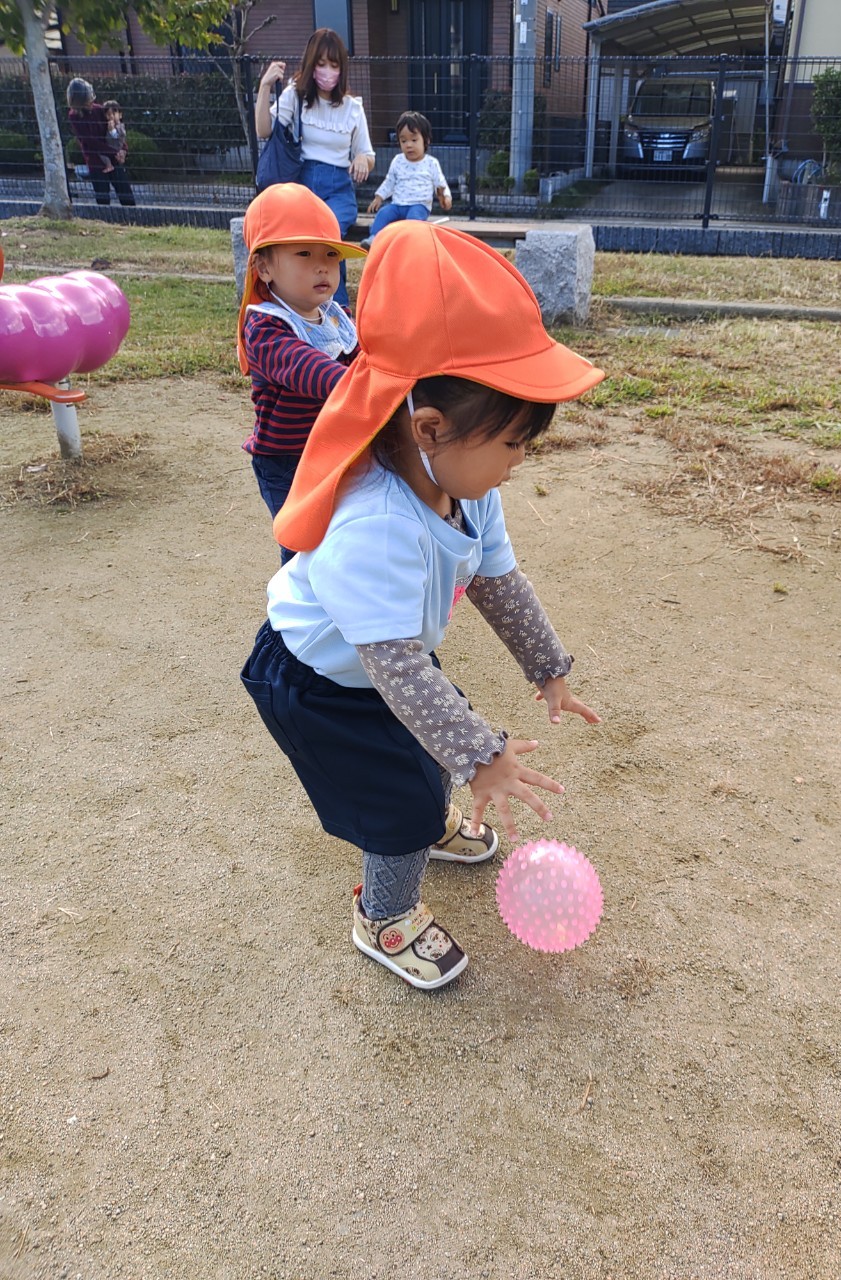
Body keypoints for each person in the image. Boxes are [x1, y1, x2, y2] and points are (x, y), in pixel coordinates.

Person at [241, 221, 605, 991]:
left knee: (429, 753)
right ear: (430, 428)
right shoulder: (376, 523)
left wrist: (548, 668)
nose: (519, 462)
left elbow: (498, 582)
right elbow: (400, 673)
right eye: (513, 443)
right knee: (397, 804)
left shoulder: (468, 488)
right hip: (315, 682)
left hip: (385, 660)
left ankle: (423, 827)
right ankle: (384, 915)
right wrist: (483, 756)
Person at [237, 183, 367, 564]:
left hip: (334, 452)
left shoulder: (336, 316)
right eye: (305, 253)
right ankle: (291, 605)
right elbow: (305, 368)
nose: (322, 265)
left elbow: (365, 357)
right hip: (286, 462)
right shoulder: (265, 327)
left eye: (331, 254)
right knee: (302, 551)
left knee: (342, 539)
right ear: (264, 268)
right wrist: (360, 383)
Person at [255, 29, 374, 308]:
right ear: (311, 64)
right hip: (303, 189)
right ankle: (310, 306)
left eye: (334, 64)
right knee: (309, 242)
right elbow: (263, 130)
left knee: (327, 237)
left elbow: (368, 155)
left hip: (339, 190)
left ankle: (335, 310)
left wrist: (361, 160)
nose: (328, 71)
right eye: (321, 64)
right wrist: (264, 86)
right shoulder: (295, 96)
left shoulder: (352, 108)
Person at [362, 110, 452, 248]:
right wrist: (379, 197)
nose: (408, 145)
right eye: (403, 141)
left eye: (414, 140)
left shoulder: (431, 163)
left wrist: (446, 198)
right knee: (384, 213)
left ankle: (408, 244)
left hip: (419, 205)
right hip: (397, 205)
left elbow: (441, 183)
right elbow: (389, 181)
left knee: (413, 219)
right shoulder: (398, 160)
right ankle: (374, 238)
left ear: (426, 140)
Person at [66, 79, 135, 208]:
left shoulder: (99, 110)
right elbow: (90, 141)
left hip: (113, 158)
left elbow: (116, 131)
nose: (91, 102)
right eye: (87, 100)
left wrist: (123, 150)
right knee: (103, 198)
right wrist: (115, 152)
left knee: (126, 194)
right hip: (95, 161)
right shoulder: (74, 116)